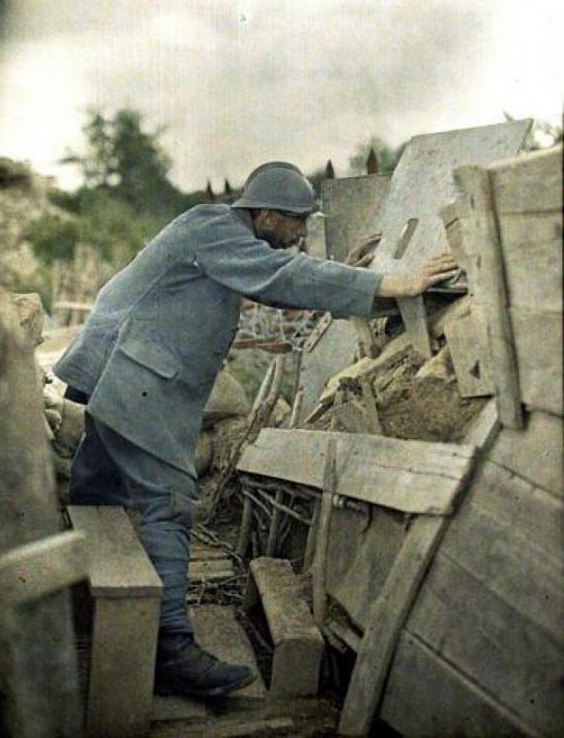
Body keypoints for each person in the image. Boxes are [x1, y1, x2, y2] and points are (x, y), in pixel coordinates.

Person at [54, 161, 457, 697]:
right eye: (294, 222)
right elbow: (286, 277)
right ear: (264, 214)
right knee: (171, 499)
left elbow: (278, 287)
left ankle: (78, 606)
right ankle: (169, 651)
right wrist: (392, 281)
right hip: (138, 374)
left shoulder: (216, 235)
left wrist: (383, 293)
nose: (297, 235)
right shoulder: (217, 228)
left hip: (123, 369)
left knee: (98, 490)